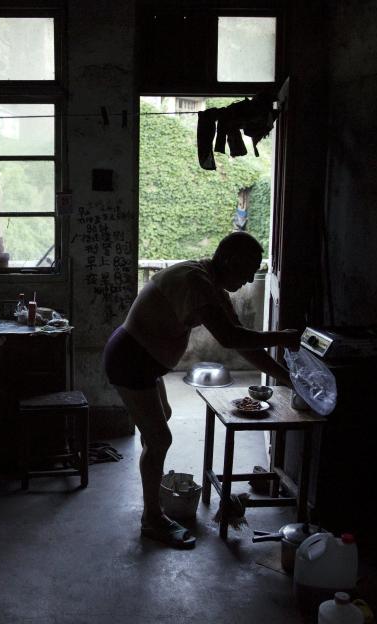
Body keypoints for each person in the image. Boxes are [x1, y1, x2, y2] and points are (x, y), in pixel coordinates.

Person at [103, 232, 301, 549]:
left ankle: (152, 473)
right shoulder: (196, 281)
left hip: (144, 361)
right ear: (227, 259)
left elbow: (241, 341)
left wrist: (287, 377)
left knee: (160, 421)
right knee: (159, 438)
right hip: (130, 360)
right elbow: (230, 337)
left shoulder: (210, 285)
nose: (251, 279)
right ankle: (151, 519)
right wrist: (283, 337)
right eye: (248, 269)